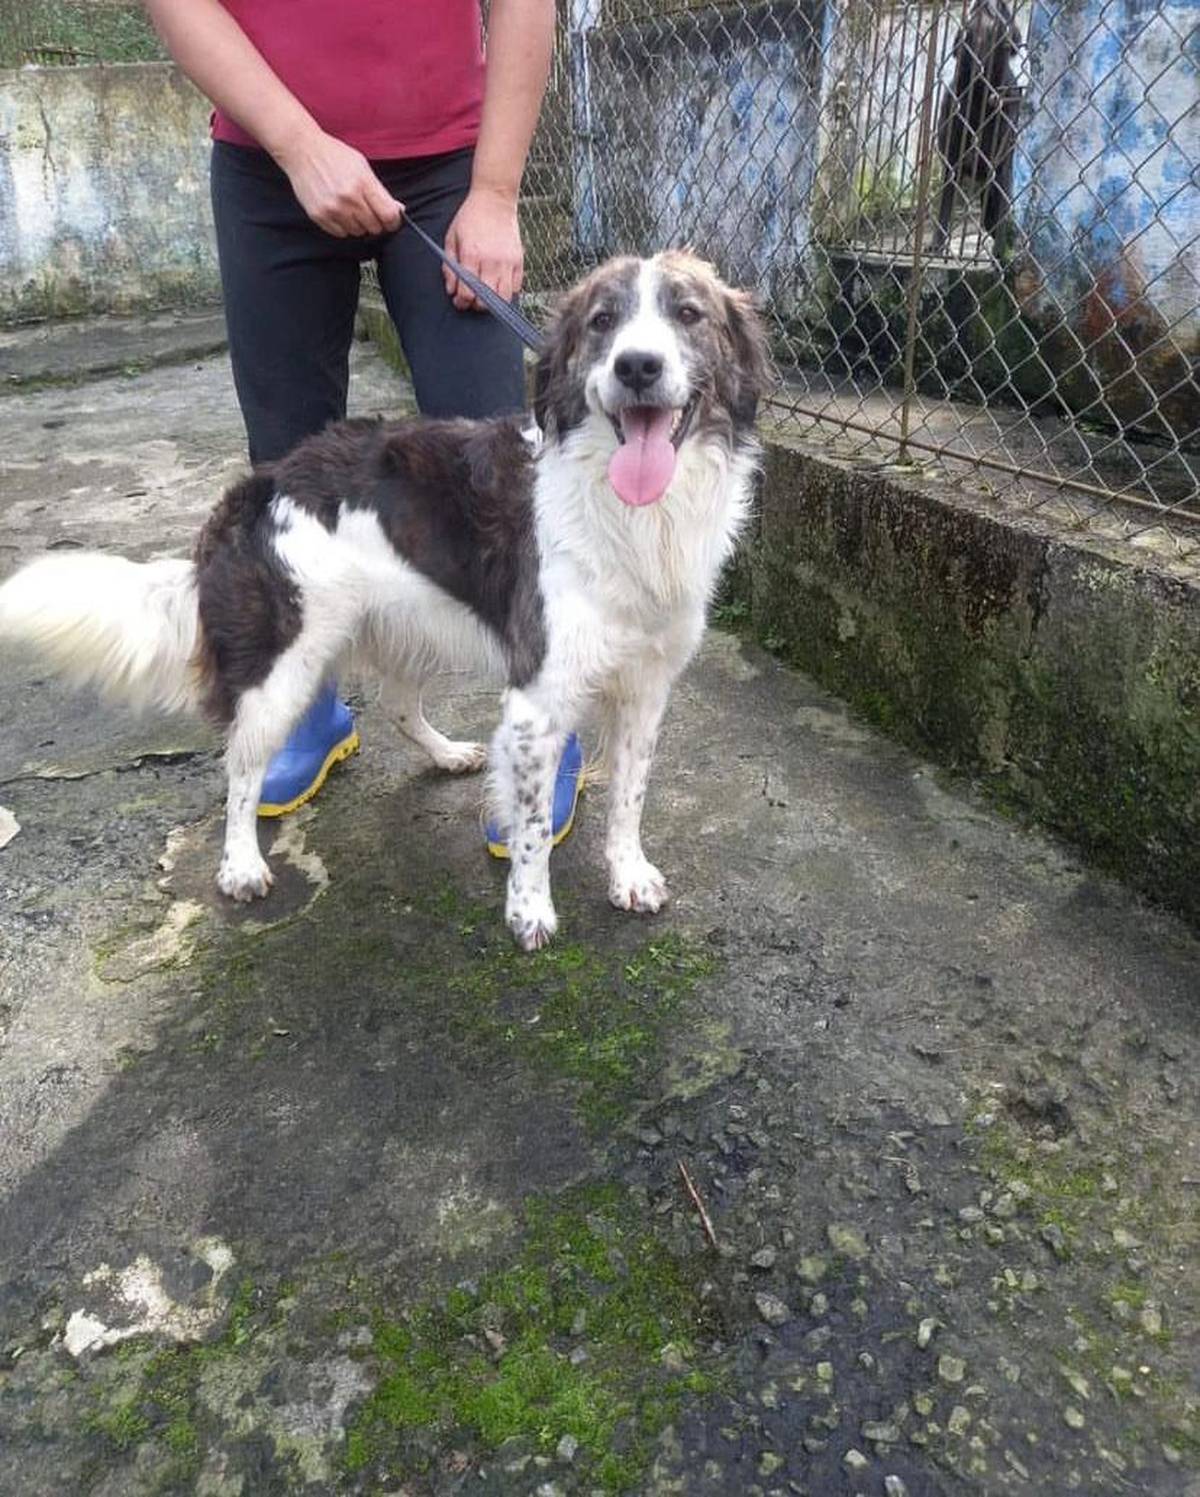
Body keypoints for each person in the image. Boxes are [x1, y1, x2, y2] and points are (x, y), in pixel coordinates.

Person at [143, 0, 583, 851]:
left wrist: (496, 191)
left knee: (511, 480)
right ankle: (308, 707)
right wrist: (298, 146)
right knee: (287, 465)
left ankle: (547, 721)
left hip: (451, 167)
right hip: (268, 164)